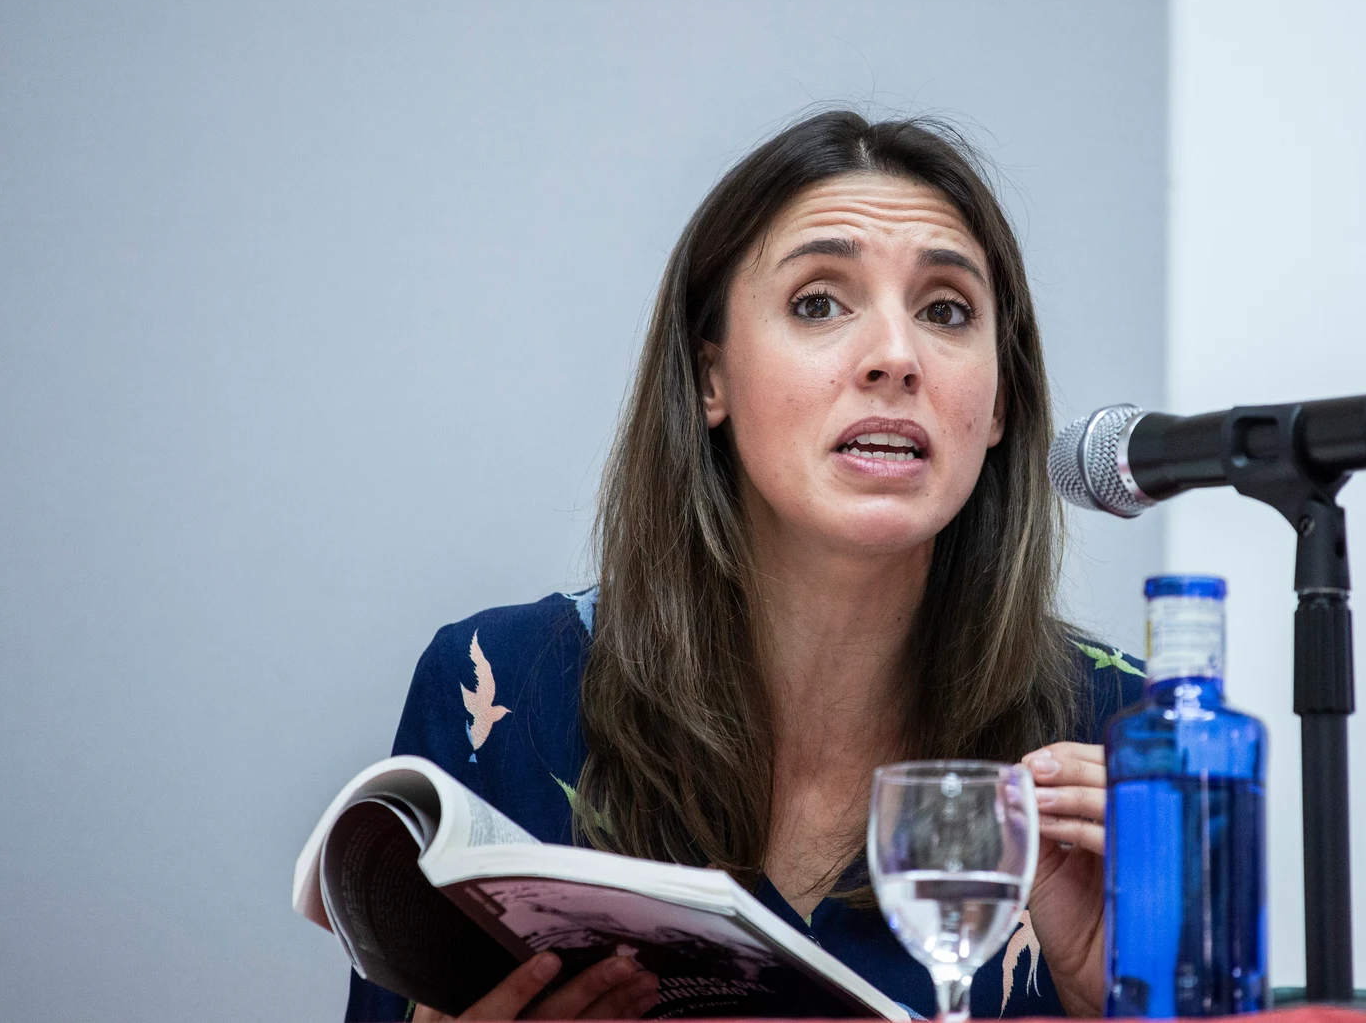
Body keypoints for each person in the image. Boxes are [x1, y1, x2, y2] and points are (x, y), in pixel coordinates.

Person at [346, 110, 1144, 1023]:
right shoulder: (493, 692)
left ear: (999, 401)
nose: (896, 356)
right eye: (819, 302)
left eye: (945, 311)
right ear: (709, 378)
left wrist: (1126, 1003)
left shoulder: (1125, 740)